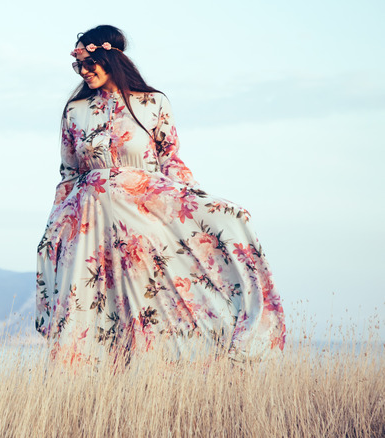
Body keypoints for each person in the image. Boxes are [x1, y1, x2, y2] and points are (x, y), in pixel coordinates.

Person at [35, 25, 286, 366]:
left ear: (111, 57)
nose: (83, 70)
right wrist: (55, 227)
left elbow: (172, 162)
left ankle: (167, 380)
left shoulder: (153, 103)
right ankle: (82, 395)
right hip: (87, 224)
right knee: (86, 305)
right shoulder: (74, 111)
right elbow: (68, 175)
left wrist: (197, 203)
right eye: (78, 64)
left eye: (90, 61)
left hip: (142, 221)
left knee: (149, 304)